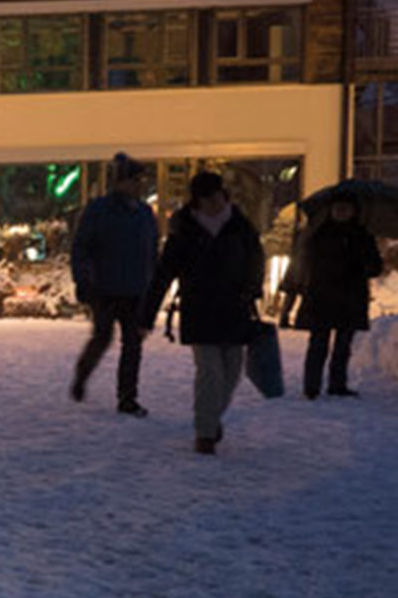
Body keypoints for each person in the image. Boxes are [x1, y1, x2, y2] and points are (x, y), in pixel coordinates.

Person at [141, 171, 266, 455]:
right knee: (209, 372)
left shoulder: (240, 226)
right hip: (199, 309)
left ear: (224, 195)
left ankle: (210, 418)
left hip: (235, 308)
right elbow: (164, 273)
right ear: (196, 201)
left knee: (232, 372)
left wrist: (252, 289)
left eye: (216, 196)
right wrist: (146, 316)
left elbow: (256, 261)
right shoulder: (184, 230)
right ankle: (205, 433)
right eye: (206, 199)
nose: (213, 203)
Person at [69, 152, 159, 416]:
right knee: (102, 337)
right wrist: (83, 280)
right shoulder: (99, 211)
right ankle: (82, 375)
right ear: (120, 182)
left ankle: (127, 398)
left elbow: (152, 252)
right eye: (134, 180)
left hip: (135, 290)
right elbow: (81, 247)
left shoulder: (144, 214)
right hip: (104, 288)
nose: (139, 185)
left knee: (133, 345)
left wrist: (152, 286)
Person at [281, 193, 383, 398]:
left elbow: (375, 266)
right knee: (318, 343)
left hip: (350, 297)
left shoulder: (362, 235)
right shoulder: (319, 234)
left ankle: (337, 384)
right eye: (337, 209)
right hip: (322, 296)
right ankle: (311, 387)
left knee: (343, 346)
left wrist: (362, 267)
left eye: (345, 209)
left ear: (354, 212)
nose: (341, 213)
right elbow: (306, 264)